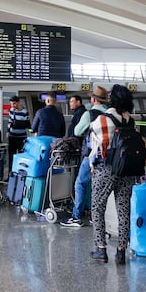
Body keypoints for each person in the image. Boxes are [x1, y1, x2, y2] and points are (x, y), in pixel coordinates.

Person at [88, 84, 136, 264]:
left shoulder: (102, 119)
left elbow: (94, 142)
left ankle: (101, 248)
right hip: (127, 171)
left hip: (106, 169)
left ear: (112, 100)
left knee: (97, 207)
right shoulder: (131, 121)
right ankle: (121, 251)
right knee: (124, 210)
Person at [60, 86, 108, 227]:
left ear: (93, 99)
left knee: (80, 183)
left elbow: (77, 131)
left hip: (92, 155)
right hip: (107, 154)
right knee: (98, 185)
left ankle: (77, 216)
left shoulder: (90, 114)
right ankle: (96, 215)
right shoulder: (110, 113)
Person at [7, 95, 30, 170]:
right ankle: (11, 173)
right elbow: (9, 122)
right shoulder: (11, 110)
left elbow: (26, 124)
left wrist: (17, 124)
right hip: (12, 136)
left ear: (18, 103)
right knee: (11, 156)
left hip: (21, 137)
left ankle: (20, 172)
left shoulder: (25, 112)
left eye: (14, 104)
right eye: (11, 104)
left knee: (22, 156)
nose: (12, 105)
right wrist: (8, 131)